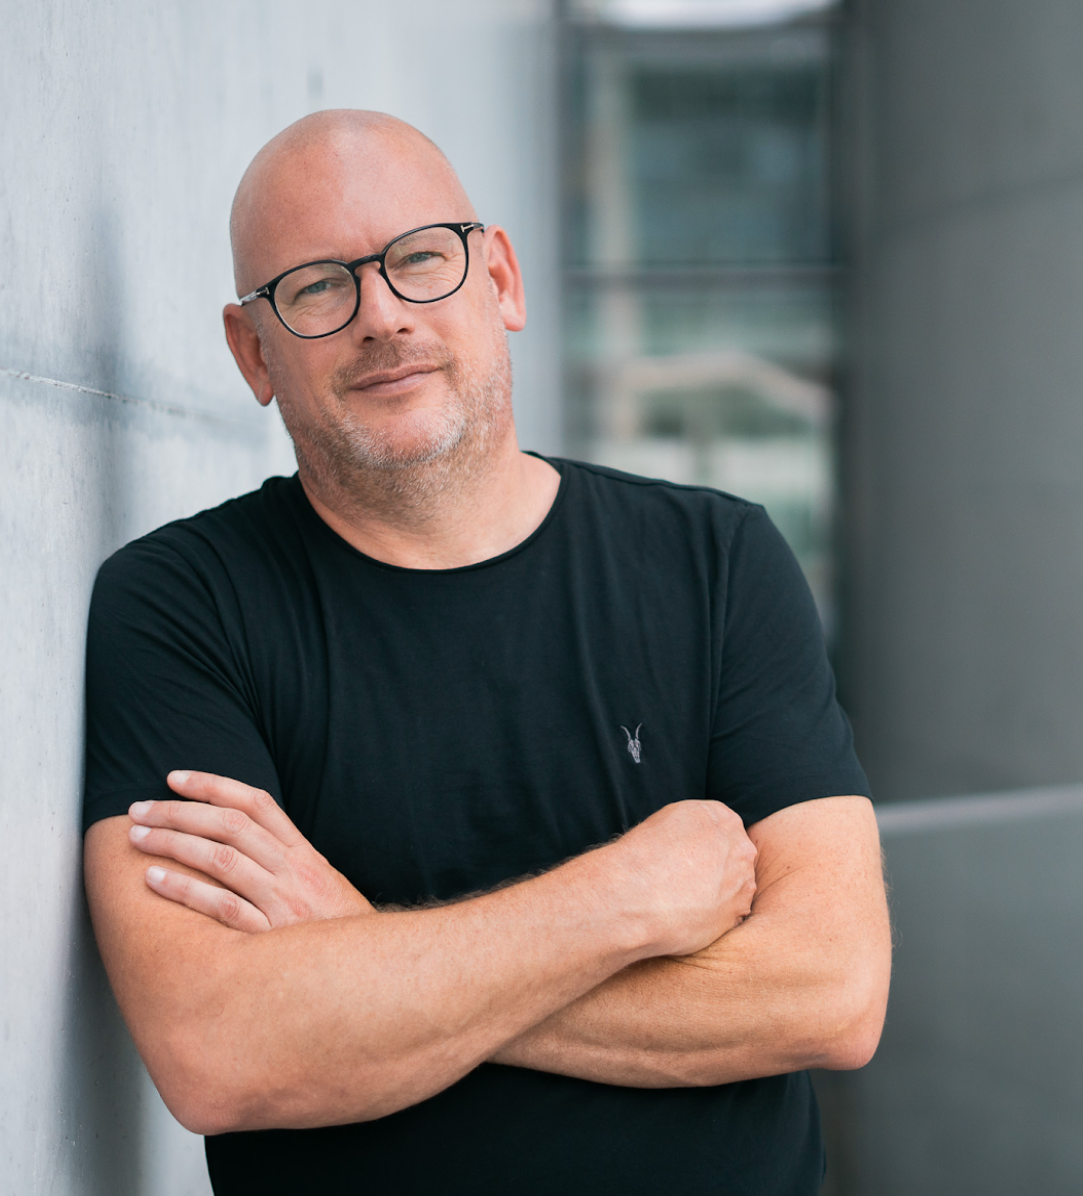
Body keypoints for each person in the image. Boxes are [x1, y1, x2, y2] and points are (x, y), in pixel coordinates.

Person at [82, 110, 890, 1196]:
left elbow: (829, 991)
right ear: (252, 351)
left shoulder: (716, 559)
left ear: (498, 280)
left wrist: (358, 947)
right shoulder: (181, 605)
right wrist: (619, 900)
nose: (381, 316)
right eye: (316, 286)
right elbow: (219, 1049)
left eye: (419, 259)